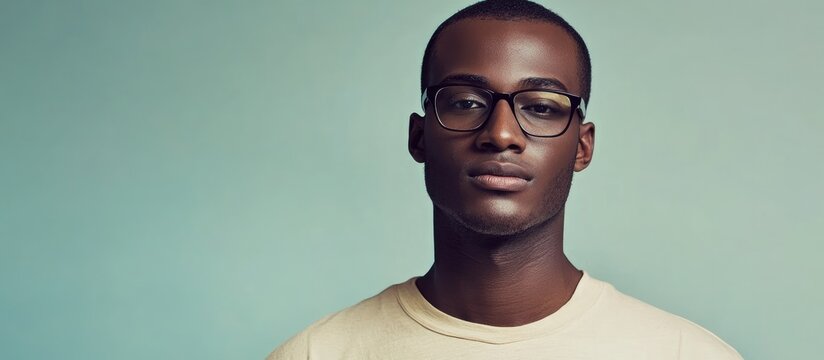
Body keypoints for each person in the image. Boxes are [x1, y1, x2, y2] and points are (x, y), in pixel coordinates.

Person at [268, 0, 742, 358]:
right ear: (419, 137)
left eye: (540, 107)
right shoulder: (318, 353)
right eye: (466, 101)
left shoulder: (685, 353)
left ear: (582, 145)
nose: (500, 133)